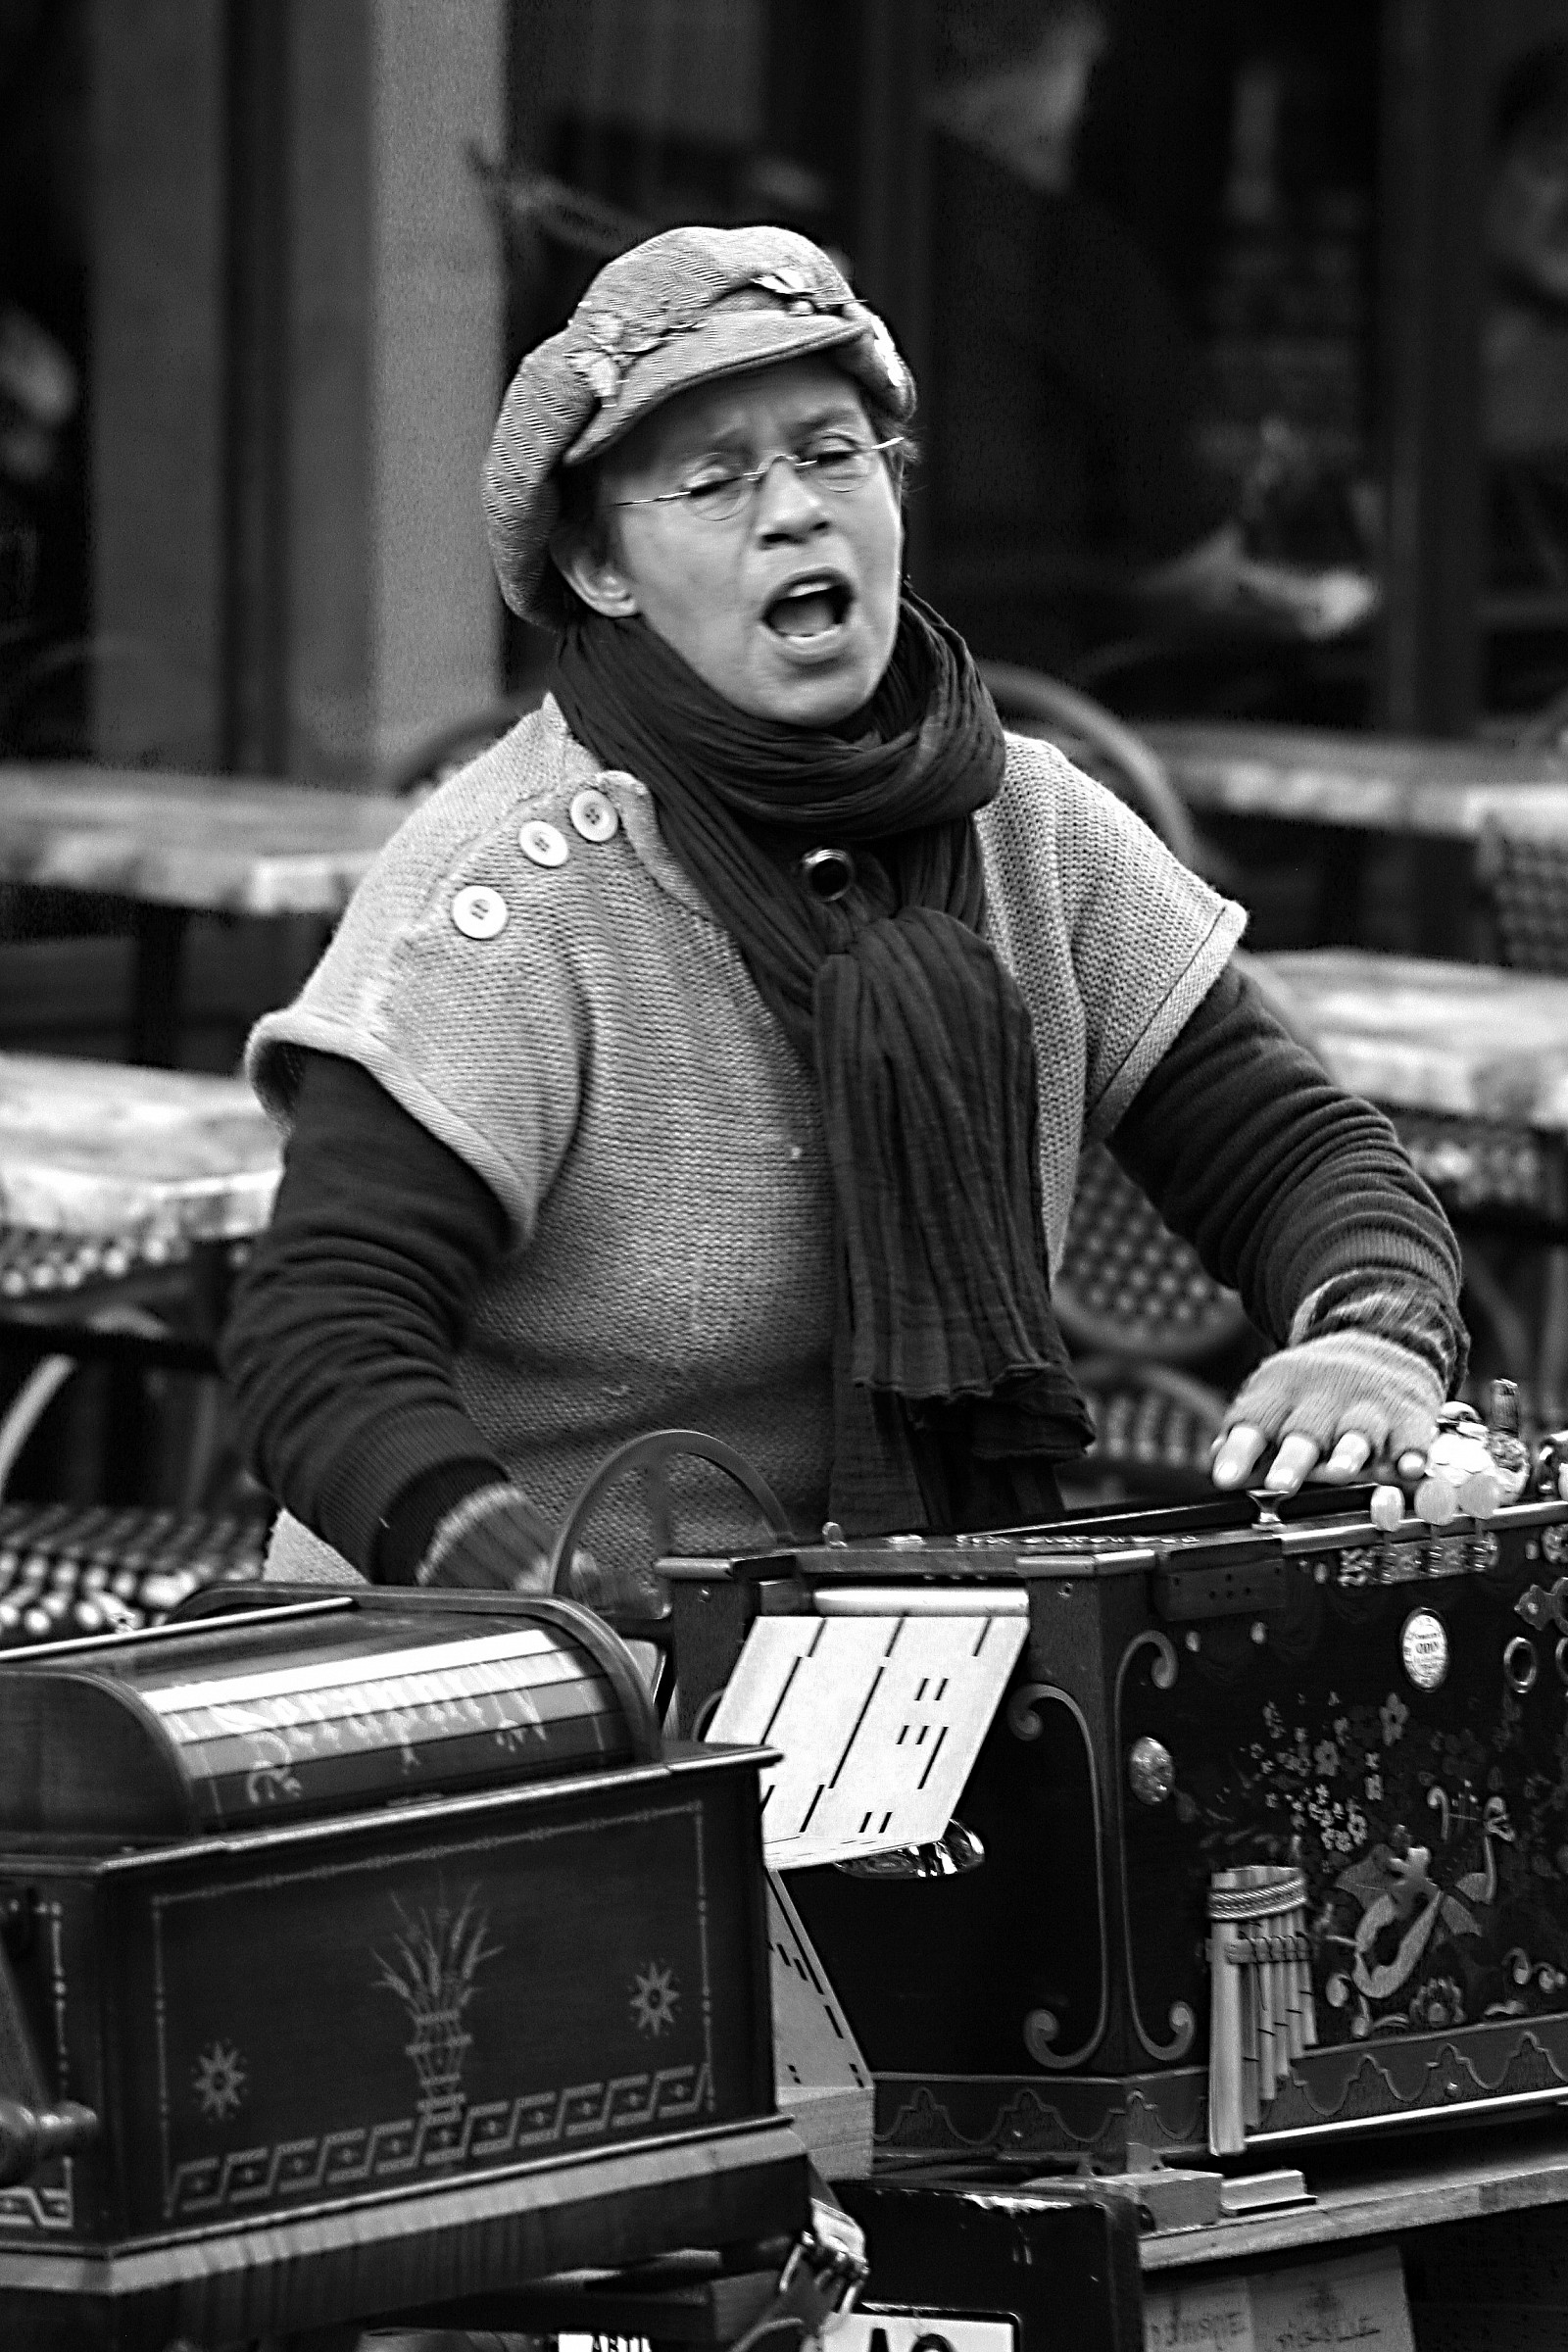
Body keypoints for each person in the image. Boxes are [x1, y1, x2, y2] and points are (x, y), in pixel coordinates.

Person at [223, 222, 1462, 1600]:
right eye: (712, 479)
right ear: (599, 570)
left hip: (894, 1645)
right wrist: (527, 1585)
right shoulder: (508, 898)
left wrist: (1371, 1338)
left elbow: (1290, 1146)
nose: (797, 508)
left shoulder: (1026, 821)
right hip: (507, 1686)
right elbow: (320, 1343)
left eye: (831, 453)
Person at [926, 0, 1377, 670]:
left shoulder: (809, 216)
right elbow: (1189, 570)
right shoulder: (1066, 260)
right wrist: (1331, 599)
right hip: (1024, 697)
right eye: (1080, 61)